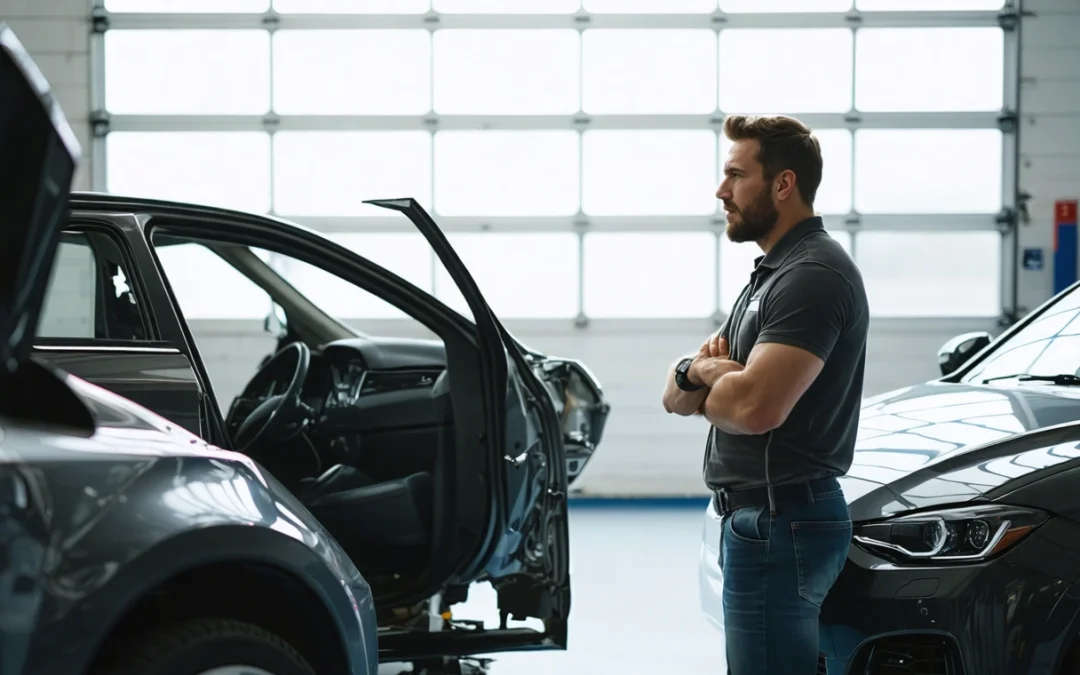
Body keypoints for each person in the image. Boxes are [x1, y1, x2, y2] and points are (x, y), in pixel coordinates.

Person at [661, 114, 869, 675]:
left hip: (782, 519)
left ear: (783, 183)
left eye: (735, 174)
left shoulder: (813, 275)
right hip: (763, 519)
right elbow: (675, 397)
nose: (721, 190)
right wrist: (701, 374)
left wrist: (711, 379)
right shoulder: (770, 275)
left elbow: (754, 409)